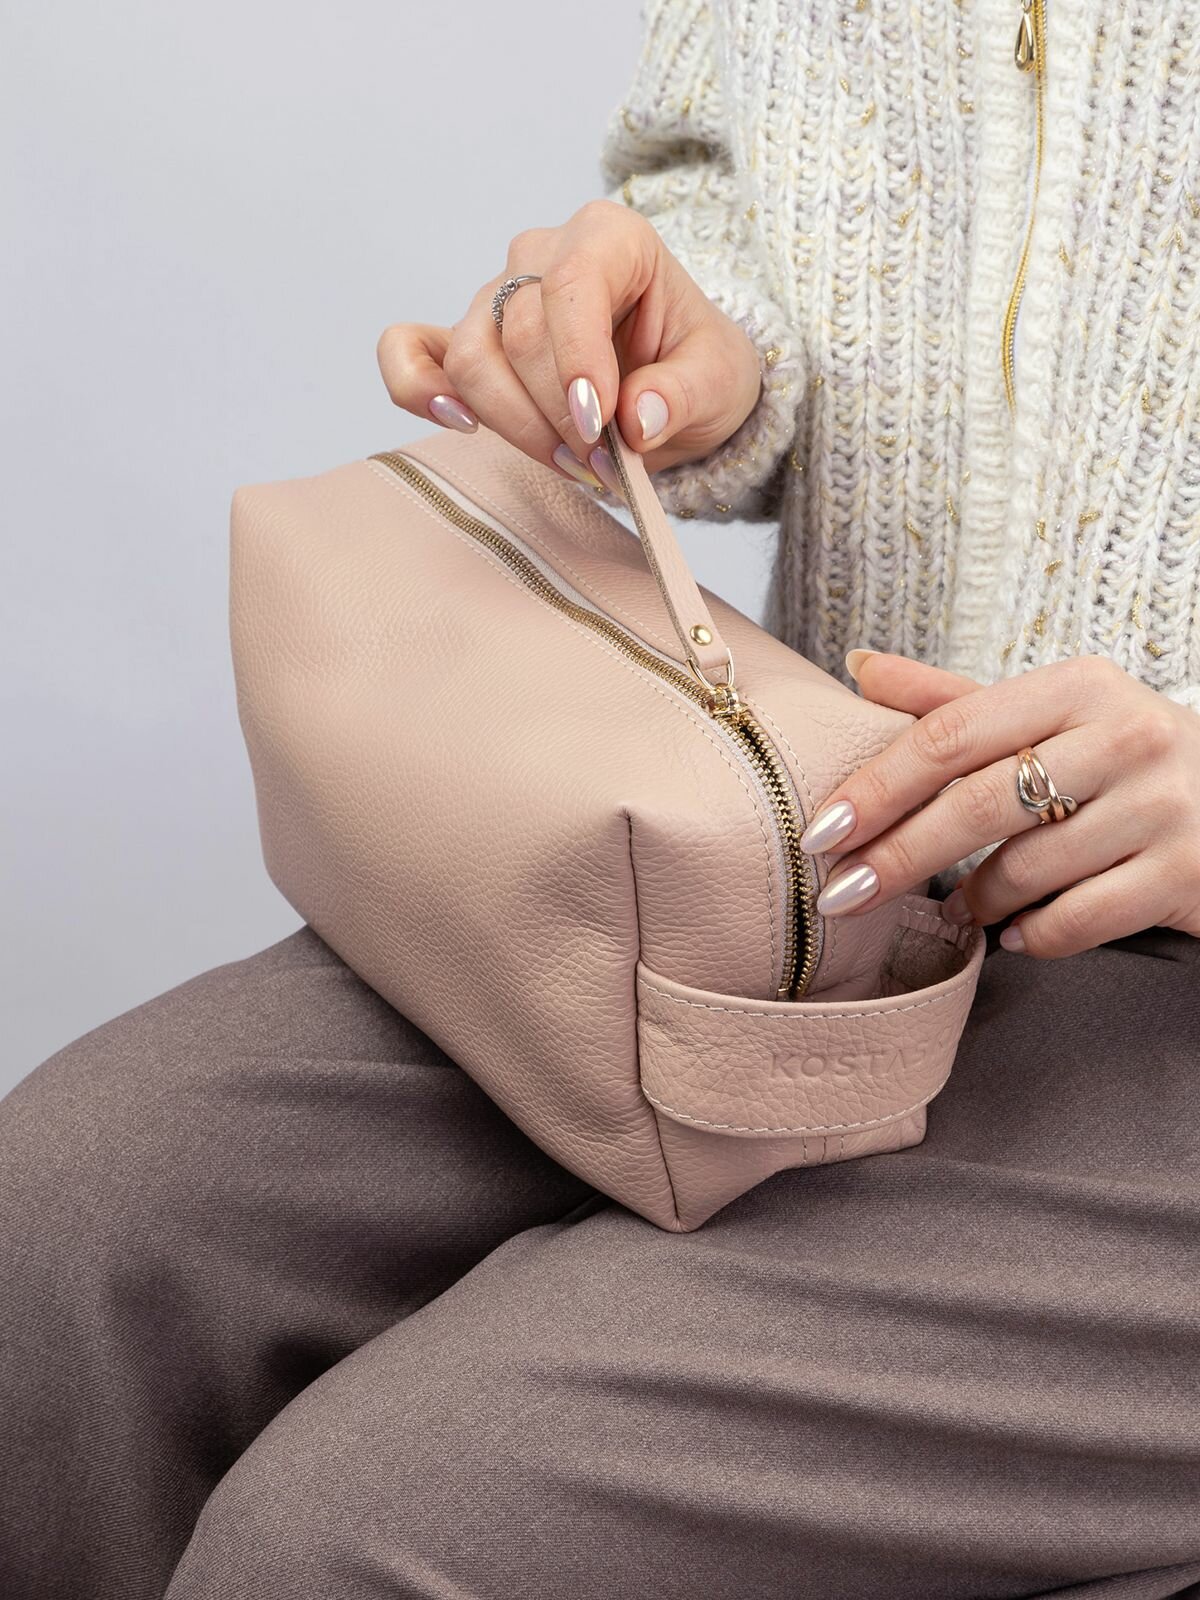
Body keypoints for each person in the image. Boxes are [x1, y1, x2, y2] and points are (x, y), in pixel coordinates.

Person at [4, 1, 1199, 1595]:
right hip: (824, 883)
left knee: (357, 1530)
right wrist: (693, 348)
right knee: (59, 1230)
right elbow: (758, 188)